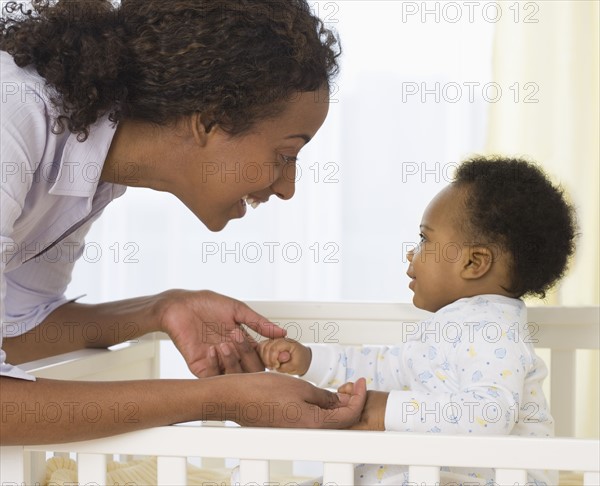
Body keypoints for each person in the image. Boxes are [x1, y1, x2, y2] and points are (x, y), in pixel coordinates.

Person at [0, 0, 367, 445]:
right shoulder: (12, 119)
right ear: (210, 121)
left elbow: (14, 330)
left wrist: (160, 310)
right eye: (285, 155)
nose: (287, 188)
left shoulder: (91, 176)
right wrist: (218, 399)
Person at [258, 156, 578, 485]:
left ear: (474, 263)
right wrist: (312, 360)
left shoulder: (492, 331)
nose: (412, 253)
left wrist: (385, 411)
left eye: (425, 240)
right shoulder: (451, 328)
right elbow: (382, 366)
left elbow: (488, 415)